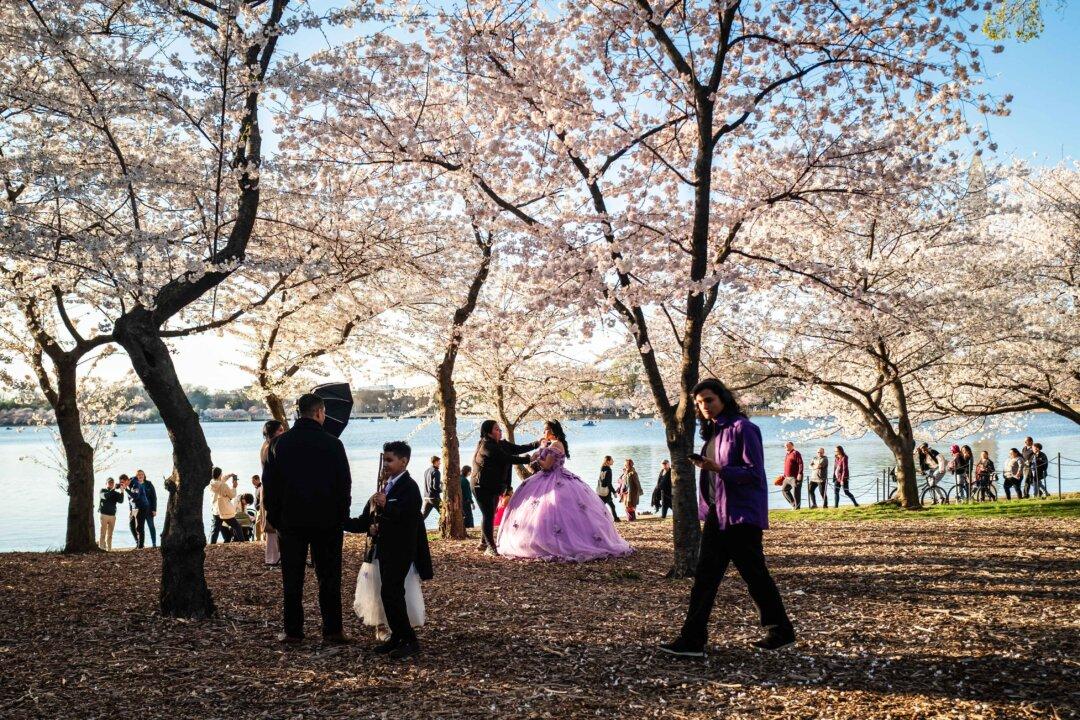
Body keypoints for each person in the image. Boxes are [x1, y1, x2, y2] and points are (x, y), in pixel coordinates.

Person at [659, 378, 794, 658]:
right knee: (708, 578)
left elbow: (754, 474)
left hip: (740, 516)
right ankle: (694, 640)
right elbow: (712, 477)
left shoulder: (744, 429)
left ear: (723, 399)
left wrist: (719, 468)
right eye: (699, 403)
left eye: (709, 400)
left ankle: (778, 630)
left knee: (752, 574)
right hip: (718, 516)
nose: (704, 406)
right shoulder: (714, 433)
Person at [262, 393, 353, 645]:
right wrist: (341, 516)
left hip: (290, 521)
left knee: (292, 579)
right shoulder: (333, 444)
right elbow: (344, 484)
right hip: (327, 522)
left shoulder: (278, 445)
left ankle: (293, 631)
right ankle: (333, 630)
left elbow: (270, 486)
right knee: (329, 577)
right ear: (320, 413)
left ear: (299, 412)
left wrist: (276, 517)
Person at [496, 420, 632, 562]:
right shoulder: (550, 444)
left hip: (555, 477)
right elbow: (539, 465)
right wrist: (536, 455)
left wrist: (536, 459)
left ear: (553, 431)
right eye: (544, 430)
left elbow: (547, 466)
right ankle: (540, 540)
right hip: (544, 478)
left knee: (558, 510)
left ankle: (562, 543)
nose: (544, 433)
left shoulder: (556, 445)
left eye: (546, 430)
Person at [346, 440, 432, 660]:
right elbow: (365, 521)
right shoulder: (385, 487)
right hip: (384, 549)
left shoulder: (409, 487)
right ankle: (398, 636)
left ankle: (409, 639)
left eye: (390, 460)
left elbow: (410, 516)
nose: (386, 464)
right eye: (384, 459)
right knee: (388, 593)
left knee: (393, 593)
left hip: (401, 550)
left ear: (404, 461)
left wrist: (387, 506)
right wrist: (341, 522)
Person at [471, 420, 540, 556]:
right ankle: (490, 547)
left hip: (494, 485)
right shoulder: (486, 446)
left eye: (500, 429)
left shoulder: (502, 444)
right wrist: (529, 460)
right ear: (488, 432)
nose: (500, 431)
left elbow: (518, 448)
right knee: (488, 514)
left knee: (490, 514)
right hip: (480, 485)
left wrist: (536, 444)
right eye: (496, 429)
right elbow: (507, 458)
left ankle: (484, 542)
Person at [260, 420, 285, 566]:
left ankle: (275, 556)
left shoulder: (267, 446)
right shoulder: (270, 447)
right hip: (271, 488)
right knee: (271, 524)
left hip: (270, 487)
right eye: (280, 430)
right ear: (272, 433)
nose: (283, 433)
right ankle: (272, 557)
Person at [209, 468, 244, 543]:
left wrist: (229, 475)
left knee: (215, 530)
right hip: (225, 511)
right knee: (237, 527)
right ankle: (243, 543)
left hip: (216, 510)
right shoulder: (223, 485)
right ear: (220, 475)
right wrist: (234, 487)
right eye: (221, 474)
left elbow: (221, 481)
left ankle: (212, 545)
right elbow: (232, 495)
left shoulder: (212, 483)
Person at [122, 471, 152, 548]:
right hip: (134, 508)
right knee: (131, 526)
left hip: (142, 507)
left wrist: (126, 489)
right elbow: (130, 499)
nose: (123, 484)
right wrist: (130, 510)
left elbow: (135, 496)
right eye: (121, 483)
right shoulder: (128, 485)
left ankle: (140, 546)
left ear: (127, 480)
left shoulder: (136, 484)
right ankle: (137, 542)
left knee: (139, 527)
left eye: (123, 482)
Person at [98, 478, 124, 551]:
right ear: (106, 483)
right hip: (104, 515)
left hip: (112, 516)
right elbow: (106, 496)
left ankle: (109, 549)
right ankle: (101, 548)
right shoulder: (103, 491)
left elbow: (121, 501)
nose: (111, 484)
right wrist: (114, 489)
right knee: (102, 533)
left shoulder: (114, 493)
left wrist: (122, 491)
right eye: (109, 482)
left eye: (112, 482)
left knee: (110, 534)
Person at [134, 470, 158, 547]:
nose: (140, 476)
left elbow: (154, 497)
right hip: (139, 510)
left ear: (144, 475)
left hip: (149, 510)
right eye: (138, 475)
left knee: (151, 526)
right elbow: (132, 497)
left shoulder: (149, 484)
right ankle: (140, 544)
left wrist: (154, 509)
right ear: (136, 476)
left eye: (142, 474)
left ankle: (154, 543)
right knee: (140, 528)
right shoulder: (135, 485)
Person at [781, 442, 804, 509]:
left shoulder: (796, 453)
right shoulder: (787, 454)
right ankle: (794, 504)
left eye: (787, 446)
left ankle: (797, 507)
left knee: (796, 492)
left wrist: (800, 473)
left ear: (792, 446)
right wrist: (784, 475)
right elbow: (786, 465)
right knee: (784, 490)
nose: (786, 447)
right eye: (785, 446)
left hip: (794, 477)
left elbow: (800, 464)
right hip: (787, 477)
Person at [597, 456, 619, 522]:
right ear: (608, 461)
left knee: (608, 506)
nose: (613, 461)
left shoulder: (602, 468)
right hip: (606, 492)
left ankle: (615, 518)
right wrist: (614, 492)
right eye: (612, 460)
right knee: (610, 506)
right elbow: (609, 483)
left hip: (600, 490)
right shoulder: (609, 470)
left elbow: (600, 480)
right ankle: (615, 519)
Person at [422, 456, 442, 520]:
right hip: (434, 498)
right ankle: (448, 529)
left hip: (427, 497)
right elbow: (435, 487)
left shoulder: (426, 471)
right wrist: (442, 490)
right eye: (439, 462)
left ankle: (413, 528)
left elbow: (428, 483)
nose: (440, 463)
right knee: (445, 513)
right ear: (435, 462)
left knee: (423, 516)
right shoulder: (436, 472)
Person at [251, 475, 264, 541]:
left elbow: (262, 498)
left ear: (258, 479)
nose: (252, 482)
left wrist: (259, 506)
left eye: (253, 481)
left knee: (258, 524)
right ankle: (260, 538)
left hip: (261, 508)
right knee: (259, 524)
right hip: (258, 509)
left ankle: (258, 539)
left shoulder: (261, 487)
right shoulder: (257, 488)